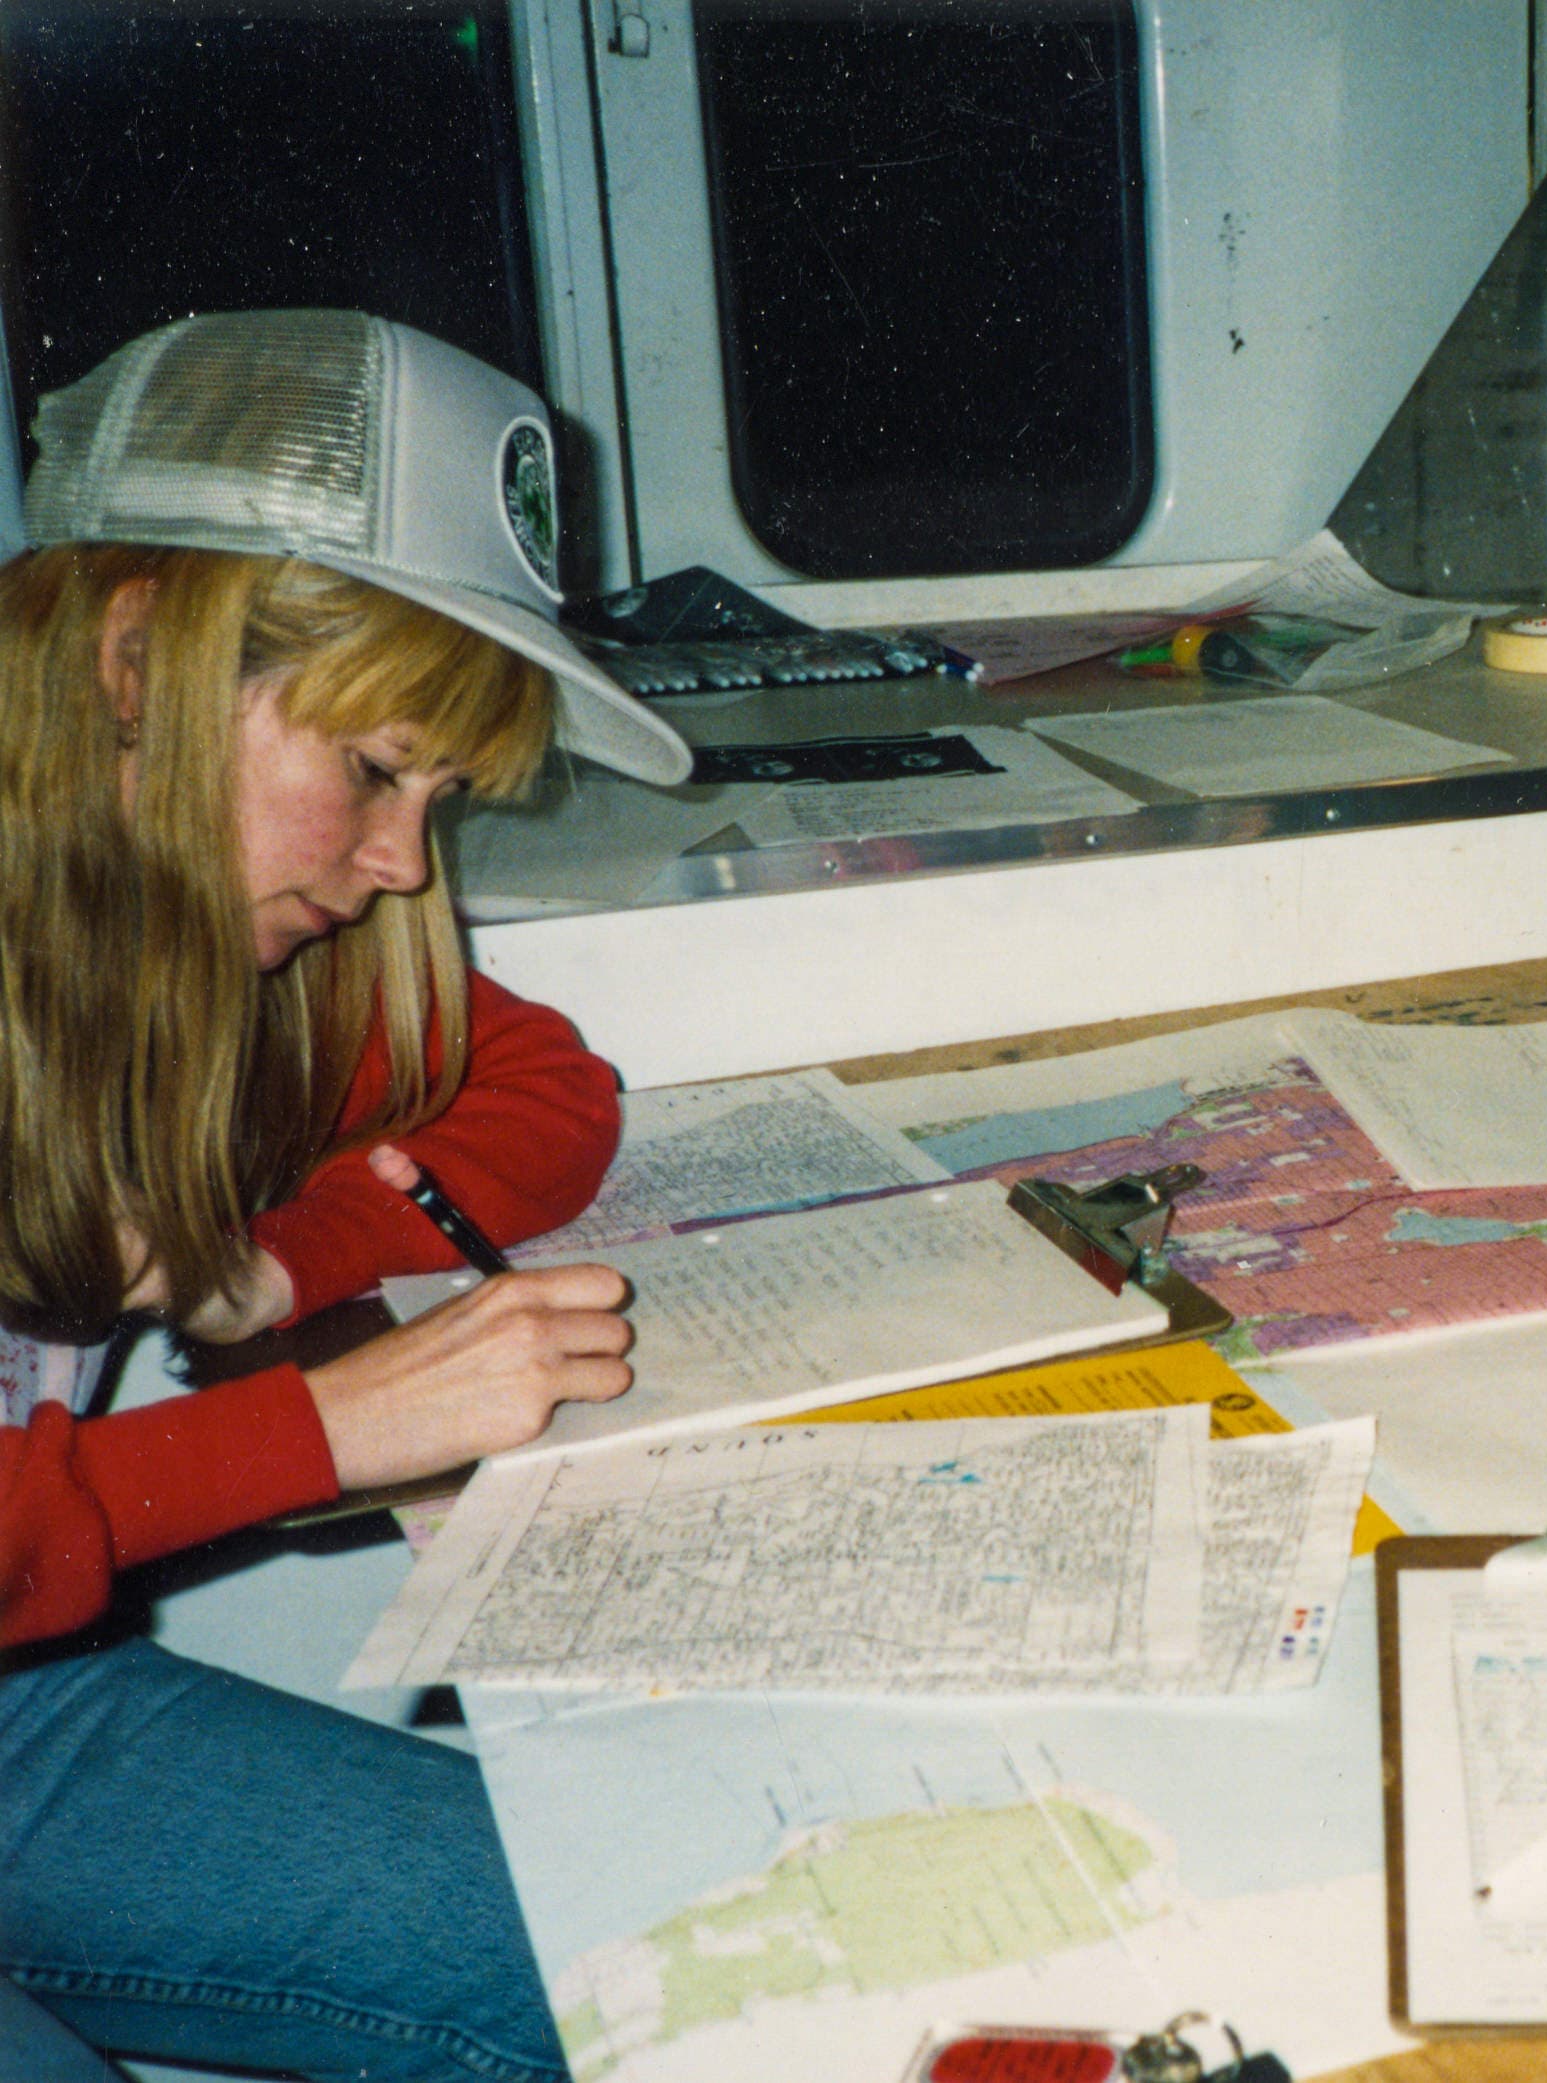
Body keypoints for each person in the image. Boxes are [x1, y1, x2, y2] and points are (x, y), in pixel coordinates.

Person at [0, 309, 694, 2082]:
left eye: (439, 797)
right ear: (137, 666)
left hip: (21, 1706)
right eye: (373, 768)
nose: (401, 862)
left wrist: (273, 1264)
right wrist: (324, 1427)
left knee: (651, 1966)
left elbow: (542, 1087)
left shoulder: (208, 953)